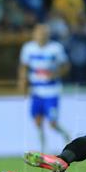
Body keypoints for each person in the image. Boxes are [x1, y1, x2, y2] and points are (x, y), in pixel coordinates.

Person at [18, 23, 72, 151]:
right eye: (39, 33)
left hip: (51, 91)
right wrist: (22, 81)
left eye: (44, 33)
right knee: (37, 120)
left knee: (52, 123)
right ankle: (43, 149)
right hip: (36, 91)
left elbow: (66, 66)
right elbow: (24, 66)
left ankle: (65, 134)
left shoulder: (56, 48)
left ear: (48, 35)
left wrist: (55, 74)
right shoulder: (28, 48)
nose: (41, 36)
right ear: (34, 34)